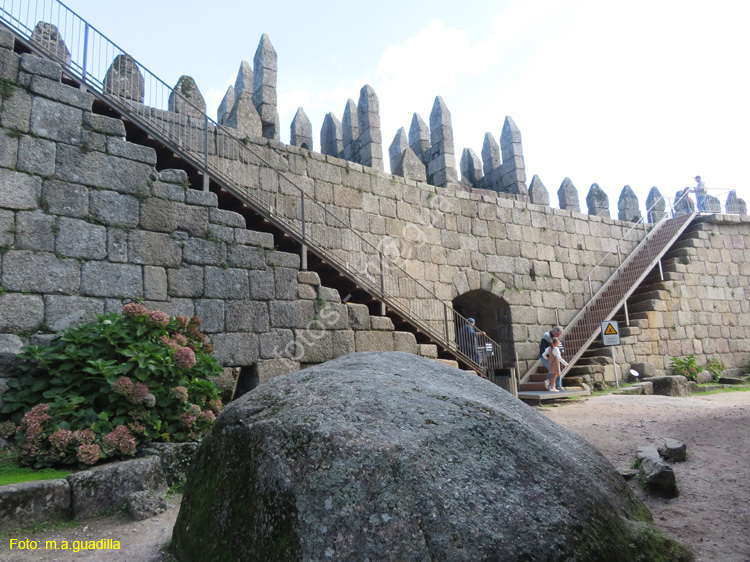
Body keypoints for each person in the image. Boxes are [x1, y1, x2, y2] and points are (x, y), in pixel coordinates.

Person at [539, 326, 565, 390]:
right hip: (546, 357)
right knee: (553, 370)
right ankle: (552, 385)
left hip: (552, 357)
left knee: (555, 370)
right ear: (554, 331)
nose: (558, 336)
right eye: (558, 334)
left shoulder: (554, 338)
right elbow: (543, 347)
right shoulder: (546, 335)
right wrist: (547, 357)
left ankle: (553, 385)